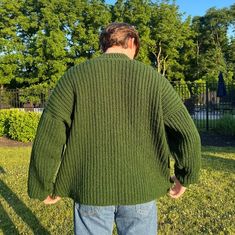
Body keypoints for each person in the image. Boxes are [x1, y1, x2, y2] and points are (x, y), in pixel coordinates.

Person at [28, 22, 201, 235]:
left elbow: (50, 133)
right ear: (131, 42)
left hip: (89, 188)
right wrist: (184, 176)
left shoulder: (74, 77)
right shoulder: (154, 80)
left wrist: (42, 185)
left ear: (104, 45)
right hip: (141, 189)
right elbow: (187, 133)